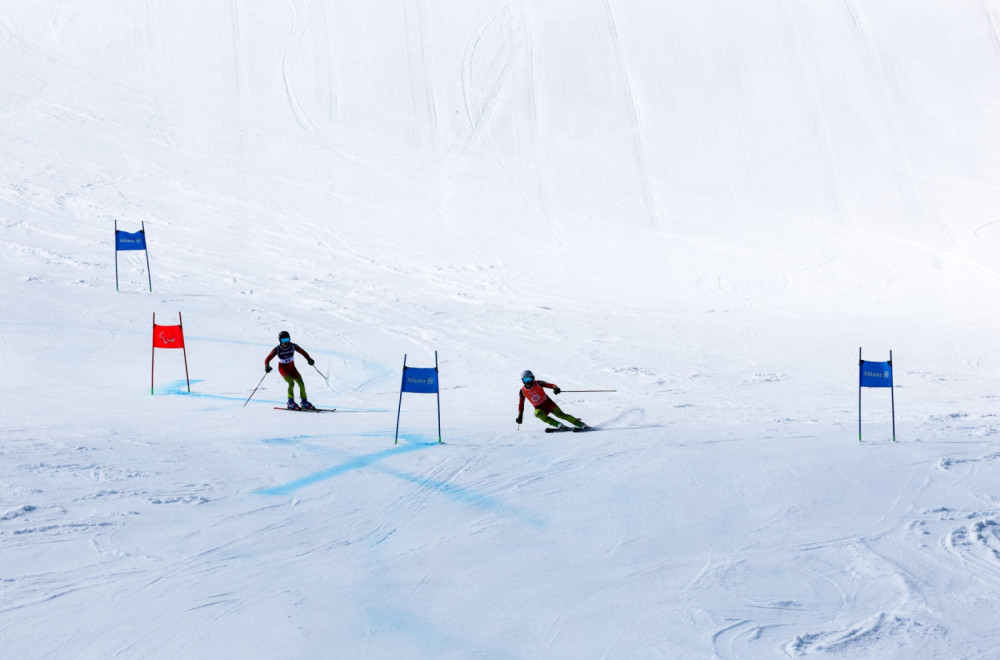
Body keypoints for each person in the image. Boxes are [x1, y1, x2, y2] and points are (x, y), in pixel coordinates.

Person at [516, 370, 589, 430]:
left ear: (533, 378)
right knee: (537, 413)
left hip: (549, 404)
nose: (528, 382)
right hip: (540, 409)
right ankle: (558, 425)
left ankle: (581, 424)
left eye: (529, 379)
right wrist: (520, 416)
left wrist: (556, 388)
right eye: (525, 380)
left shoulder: (538, 383)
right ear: (522, 381)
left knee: (561, 415)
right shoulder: (522, 391)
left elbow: (551, 385)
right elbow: (521, 405)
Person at [265, 330, 315, 410]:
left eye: (287, 339)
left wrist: (308, 359)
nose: (285, 342)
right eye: (283, 340)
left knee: (301, 383)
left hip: (292, 368)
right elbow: (267, 359)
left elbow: (303, 352)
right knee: (291, 383)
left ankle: (304, 402)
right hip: (283, 368)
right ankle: (290, 402)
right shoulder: (277, 349)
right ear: (280, 341)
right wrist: (267, 366)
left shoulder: (293, 346)